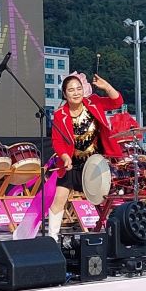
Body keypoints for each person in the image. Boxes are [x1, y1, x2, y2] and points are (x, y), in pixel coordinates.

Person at [48, 73, 123, 238]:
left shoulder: (94, 102)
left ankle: (114, 234)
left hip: (95, 162)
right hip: (71, 163)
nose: (76, 93)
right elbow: (57, 141)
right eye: (71, 90)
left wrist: (107, 87)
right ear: (65, 94)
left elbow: (117, 102)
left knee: (105, 199)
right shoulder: (60, 114)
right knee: (59, 198)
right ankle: (52, 238)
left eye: (79, 88)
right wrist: (65, 157)